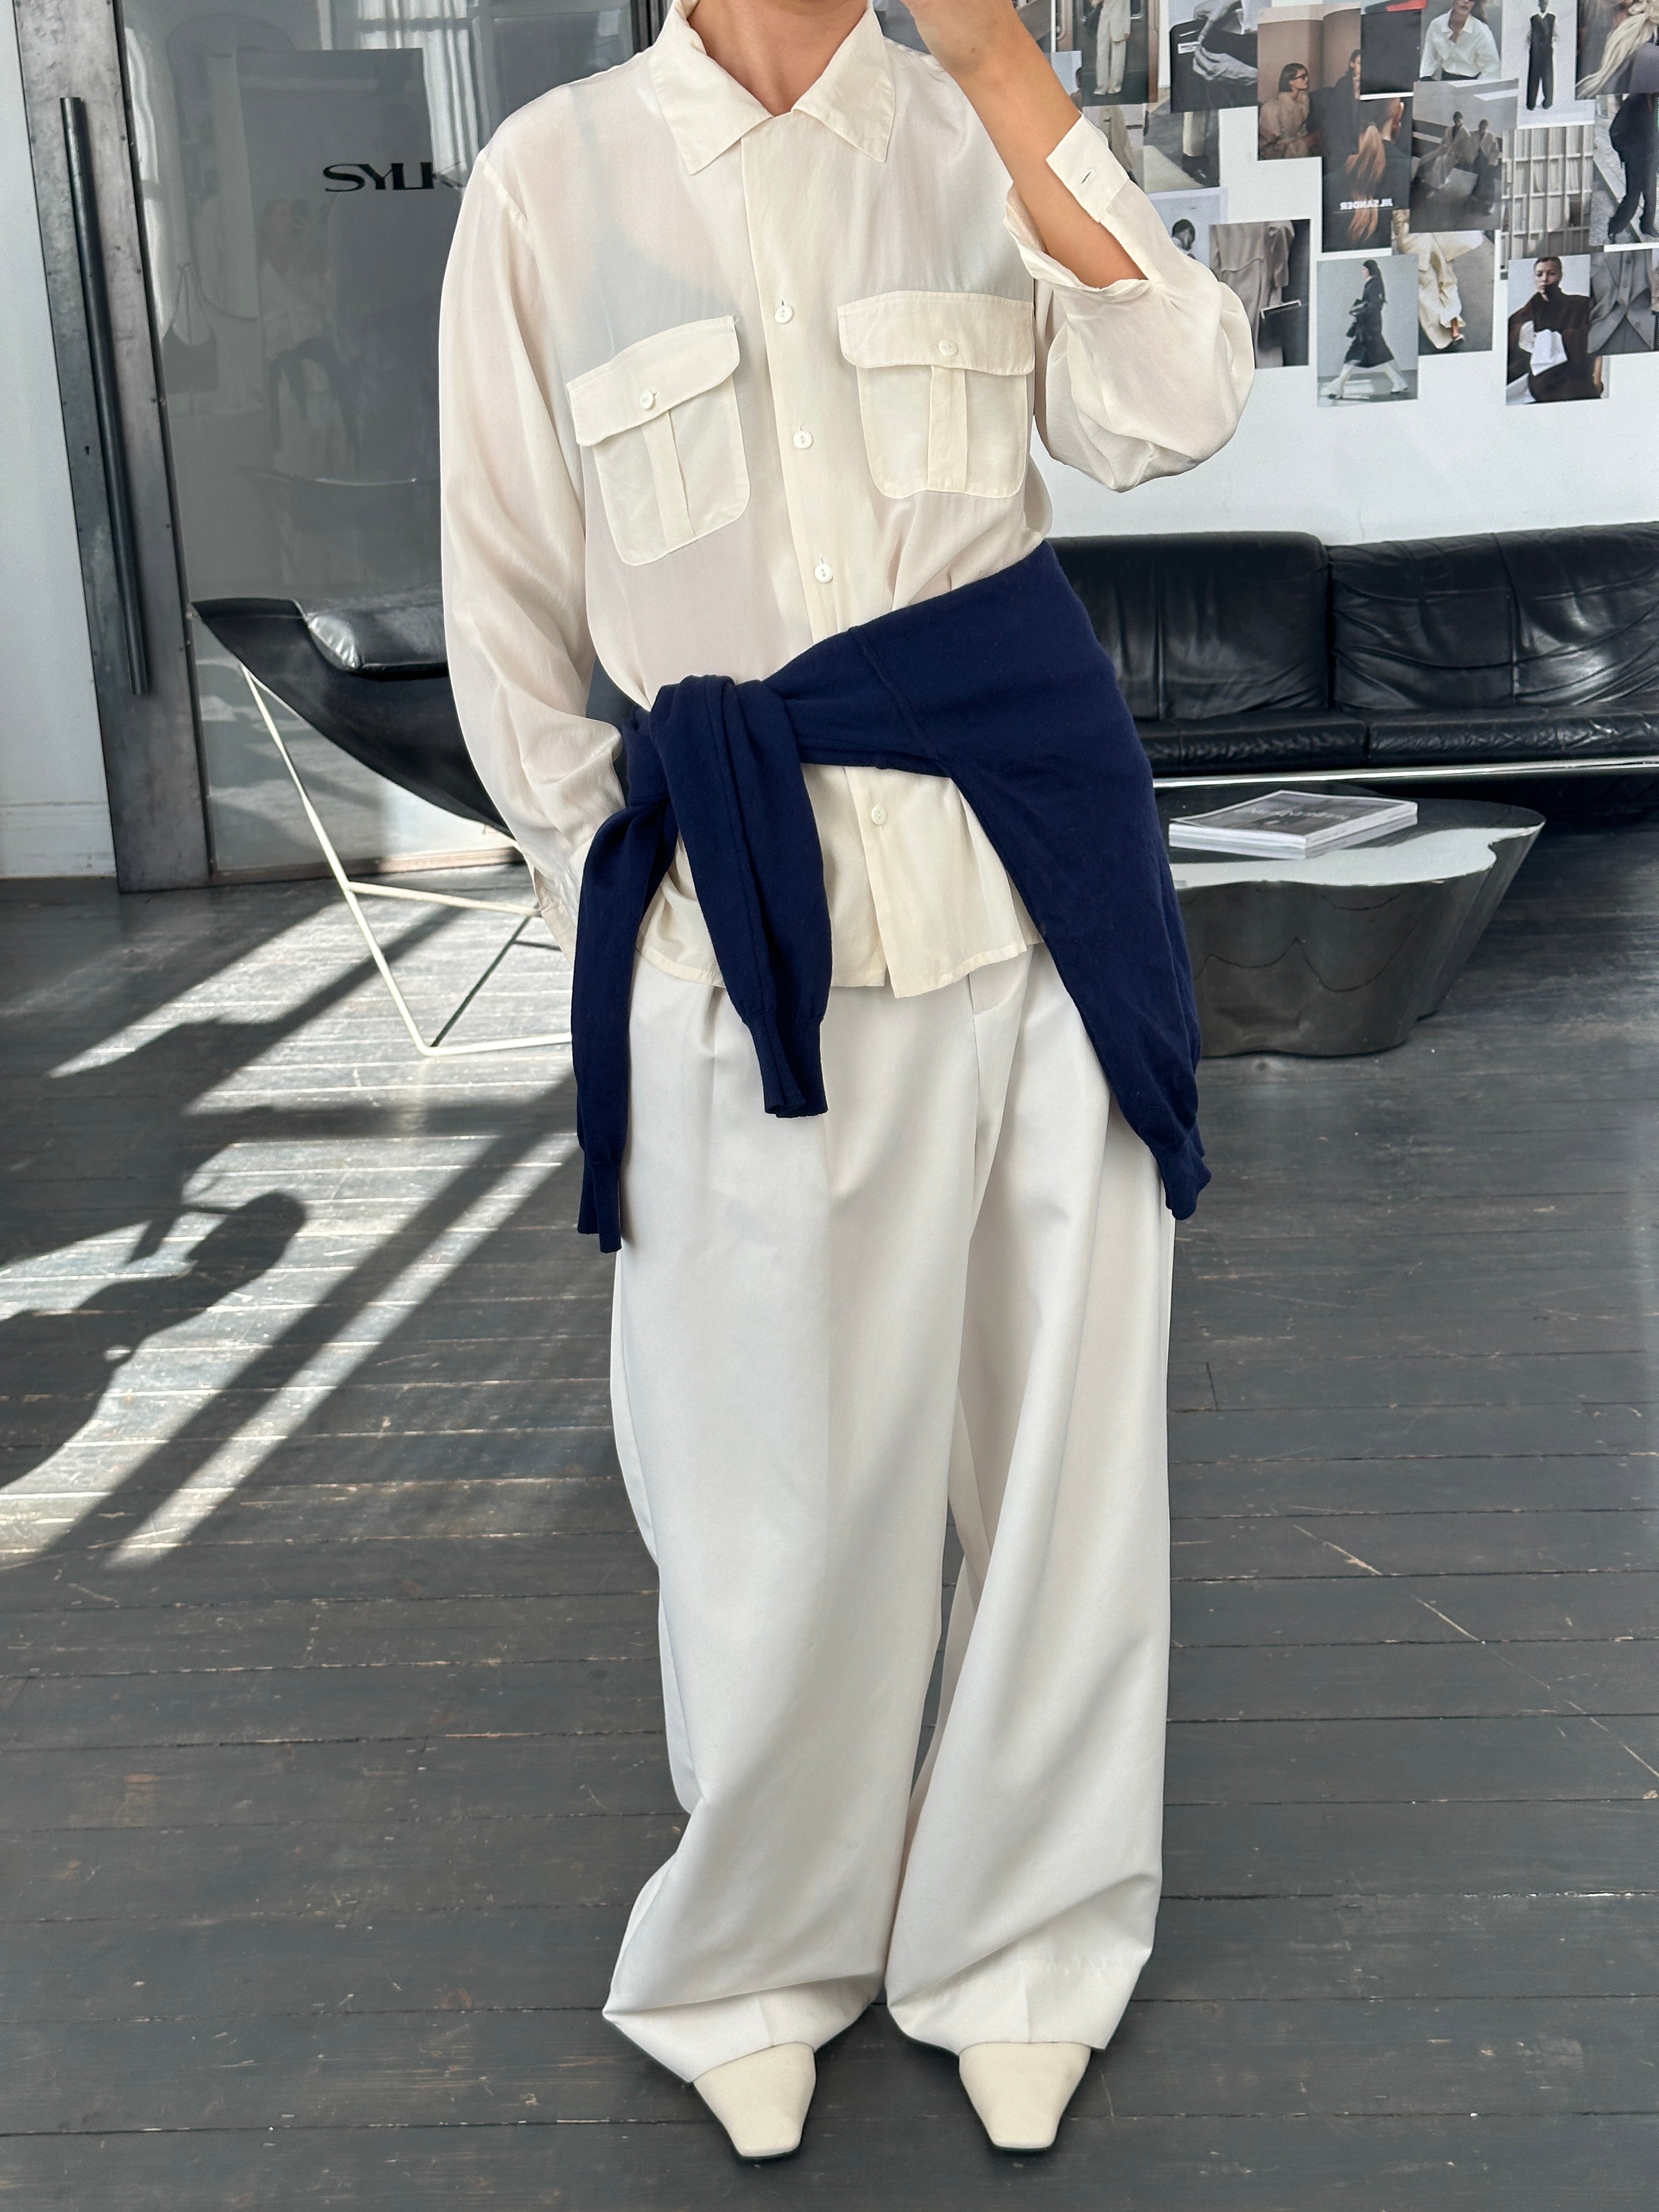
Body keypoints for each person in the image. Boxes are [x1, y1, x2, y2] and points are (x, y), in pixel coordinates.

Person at [439, 0, 1251, 2167]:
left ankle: (1026, 1941)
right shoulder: (554, 185)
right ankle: (752, 1955)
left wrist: (1004, 72)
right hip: (743, 933)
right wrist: (635, 915)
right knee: (762, 1489)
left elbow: (1179, 400)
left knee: (1059, 1466)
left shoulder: (977, 129)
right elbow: (507, 626)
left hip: (1038, 900)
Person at [1506, 251, 1601, 397]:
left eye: (1551, 274)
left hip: (1574, 380)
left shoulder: (1580, 305)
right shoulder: (1522, 317)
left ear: (1561, 276)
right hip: (1537, 385)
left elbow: (1597, 340)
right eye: (1539, 275)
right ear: (1534, 278)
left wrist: (1597, 378)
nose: (1545, 280)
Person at [1326, 256, 1409, 395]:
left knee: (1353, 358)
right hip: (1370, 327)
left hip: (1367, 329)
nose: (1363, 272)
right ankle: (1399, 383)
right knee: (1380, 357)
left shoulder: (1374, 284)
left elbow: (1373, 306)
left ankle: (1337, 389)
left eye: (1364, 270)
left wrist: (1358, 310)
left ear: (1369, 270)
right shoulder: (1374, 283)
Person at [1606, 83, 1659, 243]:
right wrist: (1627, 153)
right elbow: (1615, 131)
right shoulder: (1634, 101)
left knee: (1651, 195)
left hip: (1652, 157)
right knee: (1633, 197)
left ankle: (1647, 226)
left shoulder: (1656, 102)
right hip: (1635, 159)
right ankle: (1614, 227)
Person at [1420, 0, 1501, 80]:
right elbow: (1429, 56)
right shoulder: (1437, 25)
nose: (1466, 1)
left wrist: (1478, 86)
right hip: (1446, 80)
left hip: (1471, 82)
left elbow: (1491, 68)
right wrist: (1425, 78)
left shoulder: (1481, 31)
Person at [1258, 59, 1317, 159]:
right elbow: (1267, 145)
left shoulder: (1304, 100)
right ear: (1290, 81)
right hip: (1278, 153)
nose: (1307, 79)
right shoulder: (1272, 108)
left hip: (1299, 146)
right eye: (1303, 77)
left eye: (1307, 76)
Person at [1095, 0, 1130, 96]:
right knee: (1101, 55)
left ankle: (1115, 87)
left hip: (1120, 24)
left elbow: (1127, 8)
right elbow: (1094, 3)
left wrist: (1127, 29)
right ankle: (1102, 87)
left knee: (1118, 58)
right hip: (1104, 22)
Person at [1526, 3, 1556, 108]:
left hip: (1547, 52)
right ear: (1538, 4)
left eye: (1545, 3)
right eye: (1542, 3)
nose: (1544, 5)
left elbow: (1556, 35)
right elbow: (1528, 37)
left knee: (1547, 76)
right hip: (1535, 52)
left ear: (1547, 4)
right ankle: (1531, 104)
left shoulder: (1552, 18)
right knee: (1533, 76)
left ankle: (1548, 103)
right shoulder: (1534, 19)